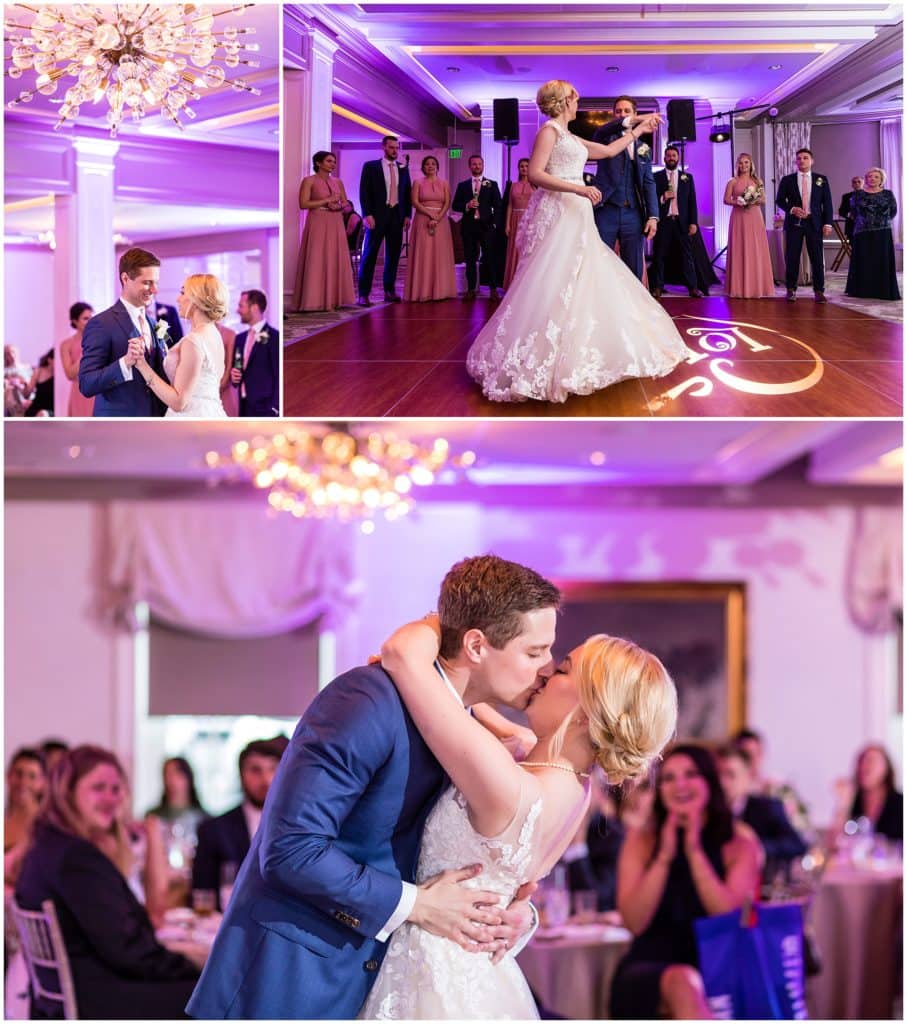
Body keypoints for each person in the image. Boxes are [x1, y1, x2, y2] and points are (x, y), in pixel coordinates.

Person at [188, 555, 567, 1019]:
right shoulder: (365, 701)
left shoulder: (464, 726)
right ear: (476, 645)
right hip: (293, 981)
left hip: (390, 981)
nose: (546, 668)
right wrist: (417, 904)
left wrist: (515, 915)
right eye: (534, 652)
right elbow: (291, 849)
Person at [361, 615, 678, 1019]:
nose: (545, 671)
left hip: (429, 975)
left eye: (562, 669)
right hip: (475, 976)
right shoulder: (574, 788)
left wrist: (459, 619)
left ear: (586, 713)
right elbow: (474, 717)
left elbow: (401, 653)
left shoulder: (509, 785)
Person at [466, 80, 690, 404]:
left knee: (585, 280)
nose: (578, 102)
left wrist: (640, 128)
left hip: (578, 214)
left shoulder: (570, 136)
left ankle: (579, 352)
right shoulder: (549, 132)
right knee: (555, 279)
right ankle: (543, 358)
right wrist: (579, 188)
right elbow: (536, 175)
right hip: (560, 212)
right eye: (575, 98)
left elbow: (610, 150)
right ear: (563, 101)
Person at [14, 746, 202, 1019]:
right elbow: (128, 951)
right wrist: (192, 967)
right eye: (98, 787)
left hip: (69, 998)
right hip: (98, 1000)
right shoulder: (76, 858)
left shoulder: (47, 845)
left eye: (116, 789)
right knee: (218, 995)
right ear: (67, 792)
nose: (111, 799)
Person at [610, 744, 762, 1020]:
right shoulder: (641, 840)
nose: (679, 784)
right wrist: (665, 856)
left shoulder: (740, 842)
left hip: (720, 964)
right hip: (650, 965)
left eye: (690, 774)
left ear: (709, 781)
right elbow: (633, 922)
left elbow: (727, 916)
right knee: (683, 980)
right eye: (668, 778)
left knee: (690, 981)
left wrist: (694, 852)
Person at [190, 736, 287, 907]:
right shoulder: (214, 830)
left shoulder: (296, 825)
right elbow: (202, 896)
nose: (266, 779)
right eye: (256, 770)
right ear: (241, 774)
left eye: (273, 769)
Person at [79, 247, 168, 416]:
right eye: (147, 282)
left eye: (156, 282)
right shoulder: (101, 324)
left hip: (156, 422)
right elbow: (87, 384)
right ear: (125, 278)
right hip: (117, 424)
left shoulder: (155, 324)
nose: (154, 290)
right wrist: (125, 362)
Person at [132, 274, 228, 418]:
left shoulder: (193, 341)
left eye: (183, 293)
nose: (178, 299)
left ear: (196, 300)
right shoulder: (214, 334)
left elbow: (178, 402)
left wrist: (142, 365)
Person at [591, 94, 659, 281]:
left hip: (633, 213)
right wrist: (635, 121)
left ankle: (633, 309)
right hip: (606, 210)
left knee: (634, 267)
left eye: (627, 111)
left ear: (635, 113)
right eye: (618, 111)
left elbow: (648, 182)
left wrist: (653, 216)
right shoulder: (604, 137)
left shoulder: (643, 147)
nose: (622, 114)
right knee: (599, 262)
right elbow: (603, 130)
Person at [716, 744, 806, 880]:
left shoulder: (766, 807)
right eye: (718, 774)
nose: (722, 783)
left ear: (747, 776)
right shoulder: (705, 811)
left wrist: (756, 846)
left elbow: (796, 844)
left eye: (730, 774)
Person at [292, 150, 356, 312]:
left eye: (334, 161)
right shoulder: (308, 181)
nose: (332, 164)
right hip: (318, 220)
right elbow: (303, 204)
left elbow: (346, 203)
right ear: (318, 163)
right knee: (317, 257)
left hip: (335, 221)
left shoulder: (338, 182)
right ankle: (314, 300)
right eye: (329, 161)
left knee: (335, 257)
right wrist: (327, 201)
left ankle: (335, 298)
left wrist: (339, 205)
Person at [732, 728, 813, 843]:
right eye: (746, 755)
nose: (753, 760)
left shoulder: (778, 787)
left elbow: (799, 831)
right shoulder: (730, 789)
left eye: (757, 753)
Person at [358, 135, 412, 305]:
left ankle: (389, 291)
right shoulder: (370, 167)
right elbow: (364, 192)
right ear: (383, 147)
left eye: (397, 148)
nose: (395, 151)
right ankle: (363, 294)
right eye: (391, 147)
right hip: (376, 216)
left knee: (393, 255)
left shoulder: (403, 168)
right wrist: (367, 214)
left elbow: (407, 194)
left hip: (397, 216)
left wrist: (407, 215)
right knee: (369, 255)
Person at [775, 148, 833, 302]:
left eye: (805, 158)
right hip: (794, 224)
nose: (802, 161)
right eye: (799, 158)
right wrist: (792, 209)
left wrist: (828, 223)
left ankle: (819, 290)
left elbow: (827, 203)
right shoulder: (788, 180)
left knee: (817, 258)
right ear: (796, 161)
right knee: (792, 257)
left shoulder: (821, 179)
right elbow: (779, 200)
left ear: (811, 161)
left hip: (814, 224)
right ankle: (791, 289)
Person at [651, 146, 703, 298]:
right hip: (664, 221)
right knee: (659, 255)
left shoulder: (687, 178)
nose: (671, 158)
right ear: (664, 158)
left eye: (674, 155)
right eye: (668, 155)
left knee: (687, 255)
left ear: (678, 158)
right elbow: (650, 200)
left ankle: (693, 287)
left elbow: (692, 201)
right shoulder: (656, 177)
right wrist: (663, 198)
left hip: (682, 222)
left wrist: (694, 222)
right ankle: (658, 287)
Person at [405, 155, 457, 302]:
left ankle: (441, 290)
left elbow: (447, 203)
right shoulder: (417, 182)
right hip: (422, 220)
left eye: (433, 163)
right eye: (427, 164)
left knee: (439, 255)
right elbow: (414, 202)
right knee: (424, 254)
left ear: (437, 167)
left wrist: (438, 217)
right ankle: (422, 290)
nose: (430, 166)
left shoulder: (444, 183)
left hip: (441, 222)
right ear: (423, 167)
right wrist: (430, 214)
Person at [723, 153, 775, 298]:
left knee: (756, 249)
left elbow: (763, 200)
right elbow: (726, 199)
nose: (743, 165)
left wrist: (752, 200)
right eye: (740, 163)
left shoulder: (758, 181)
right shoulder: (732, 181)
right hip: (739, 217)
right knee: (739, 248)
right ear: (737, 165)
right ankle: (738, 287)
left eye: (746, 162)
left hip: (755, 217)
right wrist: (737, 201)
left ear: (751, 164)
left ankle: (757, 286)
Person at [452, 155, 504, 300]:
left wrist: (494, 224)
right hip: (468, 227)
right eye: (474, 164)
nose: (477, 166)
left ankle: (493, 289)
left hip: (486, 227)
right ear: (470, 166)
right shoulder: (463, 185)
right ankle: (471, 289)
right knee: (470, 259)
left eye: (479, 164)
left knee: (490, 258)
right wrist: (467, 205)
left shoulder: (491, 184)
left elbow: (498, 206)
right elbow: (455, 205)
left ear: (483, 166)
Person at [845, 167, 900, 301]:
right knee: (863, 260)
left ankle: (882, 290)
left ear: (881, 179)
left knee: (882, 261)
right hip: (862, 232)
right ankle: (862, 290)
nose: (872, 179)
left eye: (876, 177)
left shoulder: (888, 194)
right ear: (866, 179)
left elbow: (893, 211)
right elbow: (852, 213)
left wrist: (880, 221)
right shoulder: (858, 194)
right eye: (870, 176)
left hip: (883, 232)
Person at [231, 289, 280, 416]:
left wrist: (275, 407)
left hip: (266, 408)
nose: (237, 311)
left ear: (254, 308)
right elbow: (237, 369)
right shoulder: (240, 338)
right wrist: (234, 376)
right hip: (244, 406)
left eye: (241, 306)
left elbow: (278, 374)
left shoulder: (274, 337)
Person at [844, 743, 903, 840]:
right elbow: (835, 844)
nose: (864, 766)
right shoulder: (853, 801)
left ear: (886, 768)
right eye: (861, 761)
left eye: (871, 761)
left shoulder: (900, 803)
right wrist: (843, 805)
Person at [145, 757, 209, 844]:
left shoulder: (203, 819)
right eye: (167, 775)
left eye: (177, 775)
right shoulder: (153, 818)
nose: (171, 781)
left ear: (188, 778)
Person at [503, 158, 536, 289]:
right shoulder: (513, 185)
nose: (524, 168)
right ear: (518, 169)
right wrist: (507, 224)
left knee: (527, 250)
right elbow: (509, 206)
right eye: (521, 166)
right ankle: (513, 283)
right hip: (515, 219)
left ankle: (526, 285)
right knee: (515, 250)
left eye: (527, 166)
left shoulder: (535, 185)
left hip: (530, 219)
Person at [4, 748, 46, 854]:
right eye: (19, 774)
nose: (23, 782)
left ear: (42, 782)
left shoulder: (51, 827)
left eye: (32, 777)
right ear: (8, 776)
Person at [58, 302, 95, 417]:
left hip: (97, 390)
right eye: (85, 318)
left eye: (91, 318)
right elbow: (69, 374)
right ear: (75, 321)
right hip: (79, 392)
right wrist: (86, 352)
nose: (90, 321)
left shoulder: (99, 340)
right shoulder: (66, 344)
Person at [23, 348, 54, 417]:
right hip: (36, 407)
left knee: (43, 414)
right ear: (50, 360)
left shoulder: (61, 375)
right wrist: (25, 385)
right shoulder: (39, 371)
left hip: (52, 409)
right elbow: (26, 395)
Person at [839, 175, 863, 243]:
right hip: (851, 227)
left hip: (866, 228)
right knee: (854, 249)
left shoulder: (869, 195)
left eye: (859, 182)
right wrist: (849, 215)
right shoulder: (846, 196)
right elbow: (841, 211)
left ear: (863, 183)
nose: (857, 184)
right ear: (852, 184)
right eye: (854, 182)